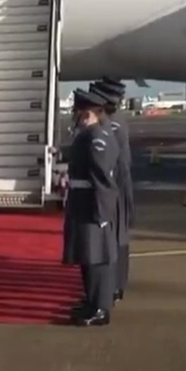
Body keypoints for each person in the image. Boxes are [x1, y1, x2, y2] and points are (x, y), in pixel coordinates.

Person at [62, 88, 120, 327]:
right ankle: (91, 301)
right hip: (82, 203)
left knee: (96, 259)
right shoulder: (89, 134)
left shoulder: (98, 138)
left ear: (90, 113)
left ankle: (100, 308)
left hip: (92, 206)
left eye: (82, 113)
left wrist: (103, 212)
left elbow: (102, 179)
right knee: (88, 257)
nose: (79, 117)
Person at [90, 77, 132, 302]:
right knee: (118, 237)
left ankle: (113, 286)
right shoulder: (116, 121)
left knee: (113, 238)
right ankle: (117, 284)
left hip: (113, 186)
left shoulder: (111, 125)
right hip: (118, 184)